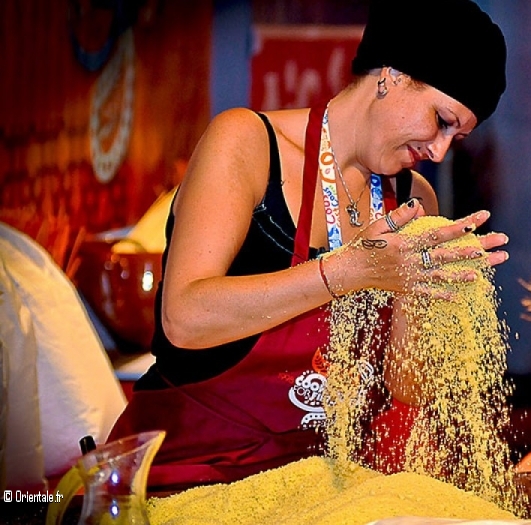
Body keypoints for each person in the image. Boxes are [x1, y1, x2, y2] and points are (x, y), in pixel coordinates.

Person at [106, 0, 508, 489]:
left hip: (322, 476)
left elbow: (406, 387)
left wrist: (423, 291)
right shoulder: (248, 144)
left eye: (458, 137)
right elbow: (184, 318)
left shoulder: (413, 198)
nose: (439, 151)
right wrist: (345, 273)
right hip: (197, 465)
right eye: (442, 120)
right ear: (392, 76)